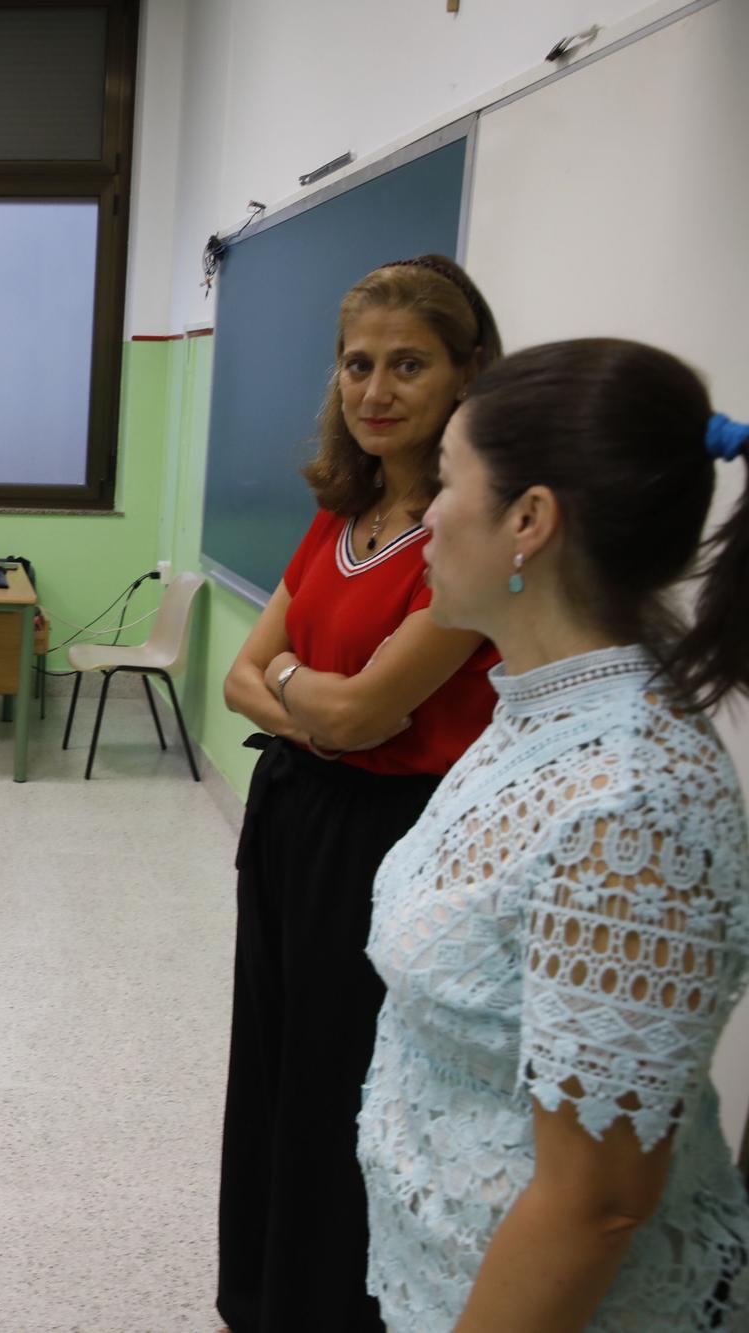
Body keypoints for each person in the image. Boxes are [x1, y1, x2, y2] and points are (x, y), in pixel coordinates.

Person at [358, 340, 749, 1331]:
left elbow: (596, 1201)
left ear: (527, 520)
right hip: (441, 1268)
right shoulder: (537, 709)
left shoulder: (629, 802)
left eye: (445, 481)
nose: (423, 515)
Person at [216, 255, 505, 1333]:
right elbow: (243, 676)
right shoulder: (341, 512)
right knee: (275, 1066)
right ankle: (261, 1293)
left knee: (350, 1084)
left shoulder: (470, 533)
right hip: (291, 816)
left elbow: (362, 717)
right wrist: (308, 696)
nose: (375, 391)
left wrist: (297, 692)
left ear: (466, 373)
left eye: (407, 365)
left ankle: (331, 1307)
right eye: (355, 366)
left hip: (390, 839)